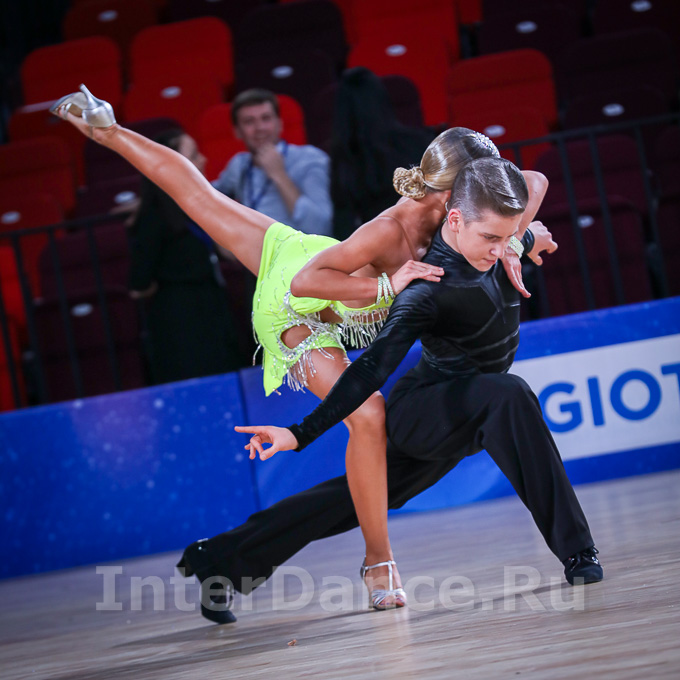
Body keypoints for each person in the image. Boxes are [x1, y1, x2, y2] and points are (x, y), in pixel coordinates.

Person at [50, 85, 550, 624]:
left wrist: (514, 240)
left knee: (201, 196)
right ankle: (379, 563)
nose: (495, 197)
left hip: (300, 249)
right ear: (451, 193)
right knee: (369, 415)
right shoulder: (390, 231)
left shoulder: (459, 213)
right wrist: (388, 288)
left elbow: (535, 182)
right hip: (299, 309)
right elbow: (308, 286)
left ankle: (106, 127)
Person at [226, 157, 602, 610]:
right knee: (512, 394)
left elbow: (535, 181)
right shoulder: (426, 286)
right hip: (426, 412)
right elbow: (370, 370)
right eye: (491, 238)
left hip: (467, 408)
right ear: (454, 218)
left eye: (508, 236)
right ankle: (578, 551)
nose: (498, 249)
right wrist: (299, 433)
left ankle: (224, 558)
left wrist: (519, 242)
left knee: (348, 500)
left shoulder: (497, 246)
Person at [128, 129, 246, 383]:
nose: (203, 159)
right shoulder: (153, 216)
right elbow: (139, 282)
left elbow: (229, 253)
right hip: (180, 322)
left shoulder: (196, 206)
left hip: (213, 310)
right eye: (193, 155)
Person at [330, 67, 436, 240]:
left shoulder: (343, 159)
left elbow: (342, 225)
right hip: (426, 238)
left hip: (376, 245)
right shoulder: (418, 143)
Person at [212, 89, 333, 236]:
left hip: (300, 248)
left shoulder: (309, 159)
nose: (259, 128)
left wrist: (280, 175)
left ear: (279, 124)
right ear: (237, 131)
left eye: (266, 118)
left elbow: (321, 228)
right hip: (251, 248)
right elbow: (208, 197)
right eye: (249, 121)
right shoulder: (239, 164)